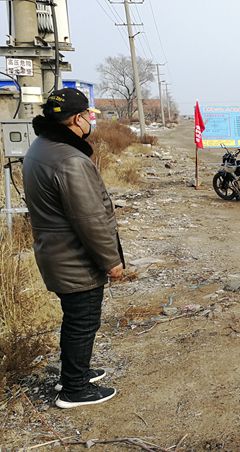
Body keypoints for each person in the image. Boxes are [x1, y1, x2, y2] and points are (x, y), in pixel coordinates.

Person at [22, 88, 124, 408]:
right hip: (74, 257)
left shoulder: (42, 147)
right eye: (89, 115)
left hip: (55, 250)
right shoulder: (70, 160)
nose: (91, 120)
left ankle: (74, 374)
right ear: (78, 119)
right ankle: (74, 389)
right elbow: (90, 219)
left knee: (75, 318)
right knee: (83, 321)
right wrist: (112, 261)